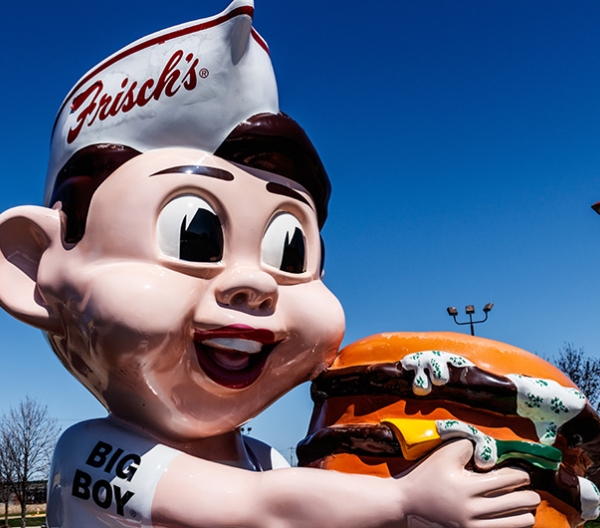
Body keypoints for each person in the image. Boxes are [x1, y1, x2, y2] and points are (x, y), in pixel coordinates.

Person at [0, 2, 540, 527]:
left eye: (288, 250)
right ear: (38, 275)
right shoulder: (87, 453)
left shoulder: (267, 458)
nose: (255, 284)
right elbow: (260, 509)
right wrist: (402, 499)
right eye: (195, 237)